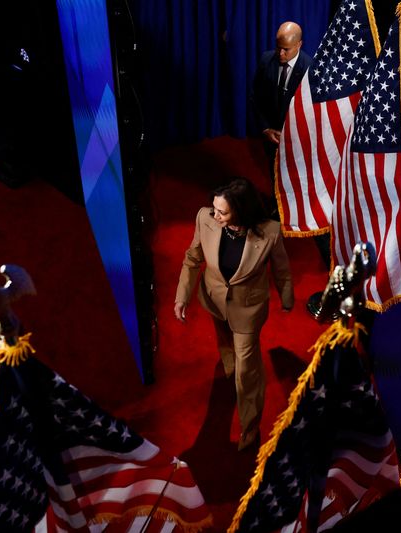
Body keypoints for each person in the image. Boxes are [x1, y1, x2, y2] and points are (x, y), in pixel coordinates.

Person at [174, 177, 294, 451]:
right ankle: (228, 366)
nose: (215, 215)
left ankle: (250, 428)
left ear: (241, 210)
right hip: (214, 298)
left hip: (247, 311)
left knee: (247, 373)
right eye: (214, 208)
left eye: (222, 212)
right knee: (224, 340)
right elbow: (192, 259)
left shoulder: (270, 232)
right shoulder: (205, 218)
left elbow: (282, 270)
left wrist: (287, 298)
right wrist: (183, 296)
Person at [251, 21, 331, 269]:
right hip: (271, 136)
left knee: (296, 176)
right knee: (273, 173)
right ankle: (277, 208)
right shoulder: (267, 60)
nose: (280, 53)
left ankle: (296, 211)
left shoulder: (311, 69)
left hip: (297, 139)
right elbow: (256, 98)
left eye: (286, 49)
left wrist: (291, 134)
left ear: (299, 45)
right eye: (278, 47)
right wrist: (265, 128)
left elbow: (316, 113)